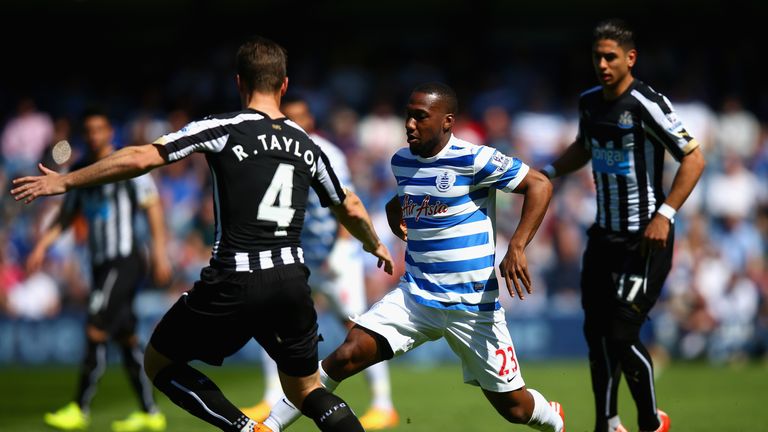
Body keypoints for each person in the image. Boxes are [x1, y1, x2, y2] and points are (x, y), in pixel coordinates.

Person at [12, 35, 394, 432]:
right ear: (283, 85)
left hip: (234, 279)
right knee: (307, 389)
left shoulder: (223, 127)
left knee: (159, 362)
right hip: (291, 281)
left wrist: (68, 181)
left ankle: (245, 429)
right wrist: (376, 244)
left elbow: (142, 156)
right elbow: (348, 204)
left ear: (239, 83)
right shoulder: (307, 144)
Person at [259, 82, 565, 432]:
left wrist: (517, 246)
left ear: (447, 121)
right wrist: (394, 212)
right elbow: (407, 194)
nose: (410, 124)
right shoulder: (402, 160)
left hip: (472, 306)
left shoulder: (473, 158)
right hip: (416, 297)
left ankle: (553, 419)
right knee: (346, 354)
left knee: (515, 408)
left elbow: (540, 184)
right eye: (408, 116)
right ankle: (269, 425)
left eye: (421, 117)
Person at [538, 18, 706, 432]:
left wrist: (665, 215)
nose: (602, 64)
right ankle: (607, 423)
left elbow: (694, 157)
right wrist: (546, 172)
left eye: (610, 56)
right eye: (597, 56)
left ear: (630, 58)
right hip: (603, 237)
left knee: (619, 334)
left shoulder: (646, 103)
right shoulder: (590, 102)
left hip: (645, 240)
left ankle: (651, 421)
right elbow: (583, 147)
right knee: (596, 336)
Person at [241, 94, 399, 430]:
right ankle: (272, 396)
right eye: (289, 117)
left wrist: (341, 250)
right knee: (276, 324)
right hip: (298, 257)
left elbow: (347, 201)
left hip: (334, 255)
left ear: (311, 120)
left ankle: (383, 404)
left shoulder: (328, 153)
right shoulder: (277, 152)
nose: (295, 123)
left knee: (358, 329)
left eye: (300, 117)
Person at [26, 108, 172, 432]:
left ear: (109, 132)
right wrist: (42, 245)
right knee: (125, 335)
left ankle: (80, 408)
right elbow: (67, 215)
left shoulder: (128, 163)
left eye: (100, 129)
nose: (94, 135)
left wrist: (161, 254)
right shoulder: (79, 170)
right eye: (89, 130)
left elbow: (152, 208)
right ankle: (150, 412)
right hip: (99, 262)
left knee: (95, 325)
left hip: (125, 260)